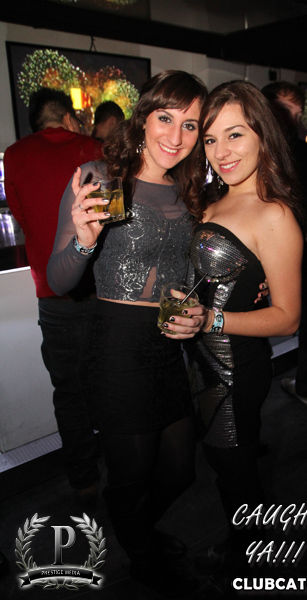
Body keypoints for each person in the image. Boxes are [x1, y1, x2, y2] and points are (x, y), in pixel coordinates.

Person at [47, 70, 208, 597]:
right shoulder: (105, 177)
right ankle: (143, 558)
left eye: (190, 125)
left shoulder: (190, 188)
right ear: (144, 117)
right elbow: (60, 280)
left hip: (168, 345)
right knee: (133, 475)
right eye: (166, 118)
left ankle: (137, 530)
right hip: (117, 347)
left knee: (180, 470)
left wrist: (200, 306)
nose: (176, 136)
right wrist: (85, 241)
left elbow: (189, 270)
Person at [163, 81, 304, 587]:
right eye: (210, 139)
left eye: (235, 135)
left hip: (236, 371)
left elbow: (288, 318)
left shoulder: (274, 213)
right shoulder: (213, 200)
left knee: (235, 470)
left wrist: (210, 320)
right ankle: (245, 545)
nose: (221, 151)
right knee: (226, 466)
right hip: (202, 367)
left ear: (263, 134)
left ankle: (251, 562)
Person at [4, 88, 102, 501]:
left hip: (52, 296)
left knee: (69, 393)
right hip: (100, 291)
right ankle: (128, 468)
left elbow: (21, 220)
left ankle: (84, 481)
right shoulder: (92, 147)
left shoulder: (14, 156)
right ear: (67, 118)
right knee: (111, 384)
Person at [262, 81, 307, 405]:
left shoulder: (293, 150)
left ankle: (303, 384)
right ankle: (302, 384)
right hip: (299, 247)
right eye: (285, 111)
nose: (293, 120)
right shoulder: (267, 147)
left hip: (304, 248)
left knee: (303, 317)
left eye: (296, 113)